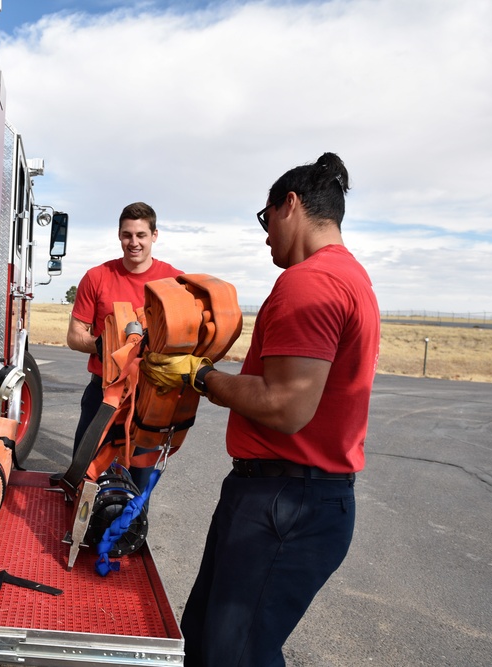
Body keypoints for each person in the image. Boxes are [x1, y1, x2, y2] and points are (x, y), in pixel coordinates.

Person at [177, 153, 380, 666]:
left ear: (290, 205)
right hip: (284, 495)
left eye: (266, 220)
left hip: (286, 501)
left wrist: (200, 376)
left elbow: (284, 406)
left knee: (234, 654)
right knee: (203, 640)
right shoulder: (350, 277)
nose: (265, 235)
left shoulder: (310, 282)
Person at [66, 201, 183, 490]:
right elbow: (74, 336)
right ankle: (80, 533)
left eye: (141, 235)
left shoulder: (176, 281)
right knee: (85, 475)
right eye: (127, 235)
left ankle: (130, 532)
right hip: (103, 394)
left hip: (150, 397)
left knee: (138, 482)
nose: (134, 242)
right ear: (119, 236)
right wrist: (103, 344)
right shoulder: (97, 277)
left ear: (154, 235)